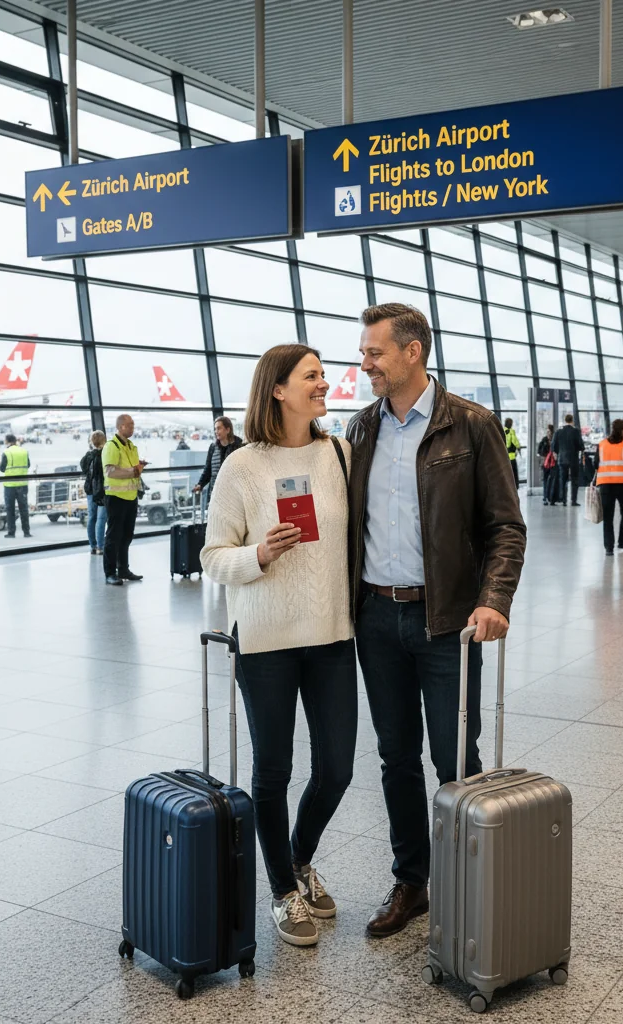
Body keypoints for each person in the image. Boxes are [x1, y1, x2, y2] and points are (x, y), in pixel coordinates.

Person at [346, 303, 526, 938]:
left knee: (455, 755)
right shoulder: (362, 427)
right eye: (365, 353)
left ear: (412, 352)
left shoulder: (470, 426)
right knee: (395, 755)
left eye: (374, 353)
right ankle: (412, 881)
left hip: (446, 620)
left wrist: (494, 600)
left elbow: (505, 524)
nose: (364, 363)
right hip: (376, 617)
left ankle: (466, 875)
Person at [201, 344, 356, 948]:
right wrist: (260, 554)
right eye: (312, 376)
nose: (324, 383)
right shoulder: (241, 467)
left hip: (332, 637)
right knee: (274, 770)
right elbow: (212, 556)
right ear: (278, 390)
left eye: (322, 374)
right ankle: (282, 891)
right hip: (264, 641)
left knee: (338, 769)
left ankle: (297, 857)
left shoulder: (339, 453)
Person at [101, 414, 147, 586]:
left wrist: (139, 466)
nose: (132, 428)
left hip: (131, 496)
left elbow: (130, 468)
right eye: (130, 425)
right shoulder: (111, 446)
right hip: (116, 497)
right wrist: (133, 471)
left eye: (133, 424)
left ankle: (123, 569)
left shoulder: (131, 446)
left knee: (127, 536)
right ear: (121, 427)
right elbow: (110, 471)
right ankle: (110, 573)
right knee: (113, 537)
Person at [593, 419, 623, 555]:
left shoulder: (602, 444)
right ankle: (622, 542)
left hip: (605, 484)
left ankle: (609, 548)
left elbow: (595, 463)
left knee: (608, 516)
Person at [194, 416, 243, 503]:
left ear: (228, 430)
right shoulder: (213, 447)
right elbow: (208, 469)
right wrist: (200, 484)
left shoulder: (239, 446)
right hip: (215, 493)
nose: (216, 432)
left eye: (219, 428)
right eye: (215, 429)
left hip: (233, 494)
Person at [0, 433, 30, 539]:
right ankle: (26, 532)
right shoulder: (24, 451)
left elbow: (2, 468)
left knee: (10, 509)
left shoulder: (6, 452)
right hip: (23, 484)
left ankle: (11, 532)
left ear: (7, 441)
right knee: (24, 509)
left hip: (10, 485)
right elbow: (28, 465)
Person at [80, 431, 106, 555]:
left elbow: (84, 469)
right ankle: (101, 546)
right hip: (102, 490)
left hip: (90, 489)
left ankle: (93, 546)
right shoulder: (105, 455)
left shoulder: (88, 455)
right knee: (101, 518)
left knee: (92, 517)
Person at [552, 412, 584, 506]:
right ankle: (573, 500)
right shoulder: (576, 431)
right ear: (572, 421)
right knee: (574, 479)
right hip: (573, 459)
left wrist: (557, 453)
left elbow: (554, 445)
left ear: (565, 420)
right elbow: (580, 445)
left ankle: (563, 500)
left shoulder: (558, 431)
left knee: (563, 479)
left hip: (562, 459)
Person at [537, 424, 558, 506]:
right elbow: (539, 451)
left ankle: (551, 498)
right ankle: (545, 497)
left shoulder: (555, 440)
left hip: (553, 463)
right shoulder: (544, 440)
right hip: (545, 463)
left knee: (552, 481)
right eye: (547, 432)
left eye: (550, 432)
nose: (548, 433)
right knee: (545, 480)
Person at [503, 417, 522, 488]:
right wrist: (518, 447)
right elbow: (515, 441)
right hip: (511, 456)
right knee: (514, 473)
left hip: (504, 456)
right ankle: (514, 487)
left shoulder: (502, 431)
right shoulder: (511, 431)